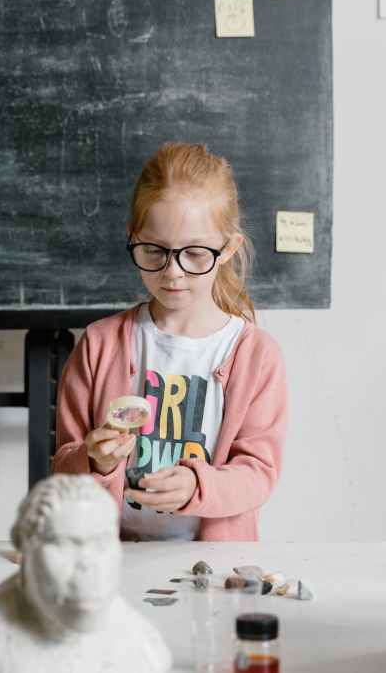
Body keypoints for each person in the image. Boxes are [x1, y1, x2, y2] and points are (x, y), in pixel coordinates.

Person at [52, 142, 287, 541]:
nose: (173, 272)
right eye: (153, 250)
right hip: (112, 557)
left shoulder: (256, 356)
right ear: (133, 238)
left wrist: (198, 486)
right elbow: (63, 467)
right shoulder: (98, 345)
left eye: (194, 253)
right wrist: (95, 461)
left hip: (211, 562)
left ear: (228, 248)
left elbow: (258, 473)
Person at [0, 474, 171, 673]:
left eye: (101, 543)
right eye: (63, 544)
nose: (88, 565)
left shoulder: (142, 646)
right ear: (25, 549)